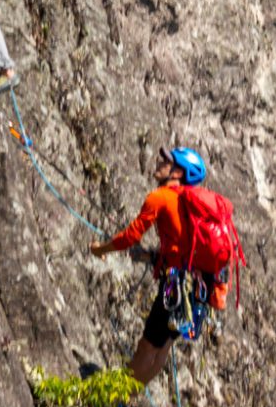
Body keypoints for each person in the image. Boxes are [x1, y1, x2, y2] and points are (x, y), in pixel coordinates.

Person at [88, 145, 230, 385]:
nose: (159, 162)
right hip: (197, 289)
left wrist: (100, 249)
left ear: (177, 173)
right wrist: (152, 257)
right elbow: (180, 247)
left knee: (148, 347)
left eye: (167, 161)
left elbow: (131, 236)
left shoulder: (161, 197)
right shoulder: (188, 203)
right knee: (162, 348)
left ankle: (115, 401)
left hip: (175, 287)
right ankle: (123, 402)